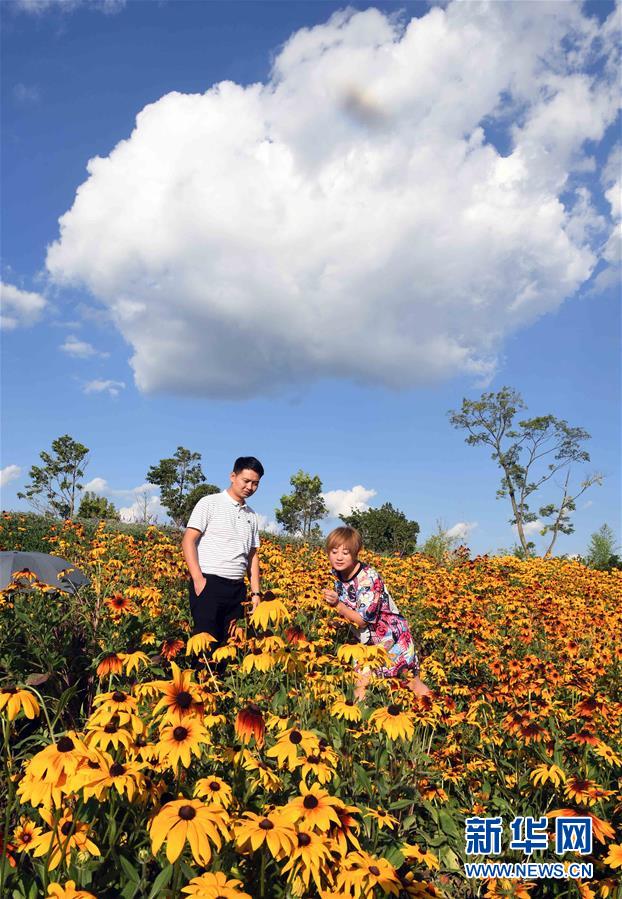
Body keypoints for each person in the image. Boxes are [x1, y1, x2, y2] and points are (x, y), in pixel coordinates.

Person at [322, 526, 430, 701]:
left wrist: (337, 605)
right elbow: (352, 607)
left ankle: (437, 712)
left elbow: (363, 620)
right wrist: (339, 622)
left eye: (346, 552)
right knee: (360, 682)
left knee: (411, 683)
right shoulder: (338, 575)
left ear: (356, 553)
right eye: (334, 551)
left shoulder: (368, 579)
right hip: (365, 643)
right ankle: (360, 723)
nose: (339, 557)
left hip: (393, 638)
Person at [182, 456, 264, 647]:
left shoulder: (251, 515)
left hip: (237, 588)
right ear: (232, 476)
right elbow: (188, 540)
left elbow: (253, 556)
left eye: (255, 484)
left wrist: (255, 593)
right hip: (209, 583)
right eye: (246, 481)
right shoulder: (210, 503)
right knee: (205, 644)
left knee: (231, 645)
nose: (250, 487)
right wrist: (198, 579)